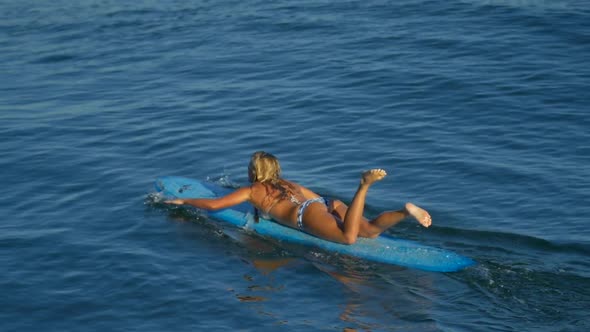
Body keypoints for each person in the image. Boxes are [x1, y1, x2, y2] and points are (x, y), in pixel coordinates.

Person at [165, 151, 431, 245]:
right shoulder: (286, 183)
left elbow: (214, 205)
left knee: (348, 239)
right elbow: (316, 198)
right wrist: (333, 209)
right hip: (322, 205)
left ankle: (363, 186)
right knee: (370, 231)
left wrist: (185, 202)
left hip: (307, 216)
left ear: (254, 172)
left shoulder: (252, 190)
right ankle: (405, 211)